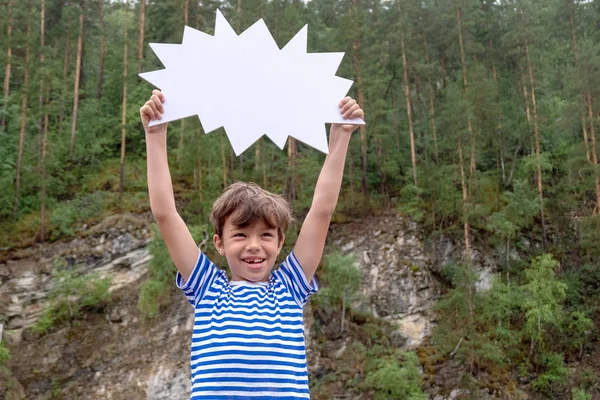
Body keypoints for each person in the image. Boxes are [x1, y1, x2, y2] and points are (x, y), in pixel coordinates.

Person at [140, 89, 364, 399]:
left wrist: (340, 136)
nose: (254, 245)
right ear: (219, 242)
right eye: (241, 235)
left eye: (266, 235)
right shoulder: (208, 287)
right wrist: (155, 135)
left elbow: (321, 212)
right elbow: (165, 214)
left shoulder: (290, 286)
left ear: (280, 242)